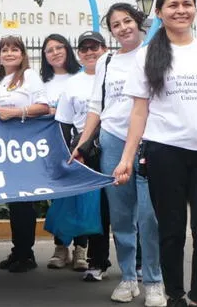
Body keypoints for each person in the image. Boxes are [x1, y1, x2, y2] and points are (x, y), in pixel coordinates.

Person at [113, 0, 197, 307]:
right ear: (159, 12)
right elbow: (139, 111)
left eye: (187, 4)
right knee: (171, 230)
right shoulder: (147, 56)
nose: (181, 10)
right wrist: (126, 158)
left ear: (195, 9)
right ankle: (175, 295)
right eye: (173, 5)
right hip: (164, 152)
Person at [71, 2, 165, 306]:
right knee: (122, 217)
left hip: (149, 141)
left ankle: (153, 280)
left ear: (138, 23)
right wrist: (84, 142)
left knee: (149, 215)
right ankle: (127, 277)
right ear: (110, 31)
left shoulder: (156, 54)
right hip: (112, 142)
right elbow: (96, 107)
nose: (123, 28)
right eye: (116, 24)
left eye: (127, 21)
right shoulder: (106, 62)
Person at [0, 35, 49, 273]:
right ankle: (18, 250)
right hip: (3, 149)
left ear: (22, 54)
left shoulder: (29, 76)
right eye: (5, 50)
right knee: (14, 202)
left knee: (24, 202)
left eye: (14, 50)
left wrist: (16, 112)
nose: (9, 54)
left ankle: (26, 254)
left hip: (24, 147)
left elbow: (44, 107)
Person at [55, 31, 111, 278]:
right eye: (84, 48)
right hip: (85, 151)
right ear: (78, 54)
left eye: (95, 47)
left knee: (122, 207)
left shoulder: (116, 76)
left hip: (115, 146)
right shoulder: (73, 83)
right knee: (95, 208)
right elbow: (64, 122)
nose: (90, 52)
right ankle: (96, 261)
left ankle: (139, 263)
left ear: (105, 49)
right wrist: (71, 151)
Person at [40, 34, 87, 270]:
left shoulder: (82, 76)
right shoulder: (41, 81)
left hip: (79, 146)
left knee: (81, 197)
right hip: (50, 148)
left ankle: (81, 249)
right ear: (44, 56)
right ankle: (61, 248)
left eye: (60, 47)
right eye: (50, 50)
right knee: (57, 199)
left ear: (68, 50)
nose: (55, 52)